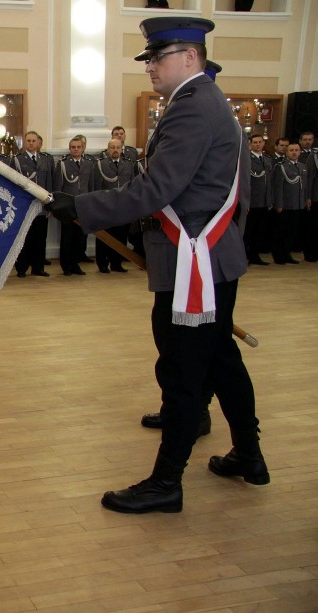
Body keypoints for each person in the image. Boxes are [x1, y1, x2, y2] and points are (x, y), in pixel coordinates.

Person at [47, 16, 269, 514]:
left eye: (157, 57)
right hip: (208, 256)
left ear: (190, 57)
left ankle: (167, 482)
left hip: (196, 261)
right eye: (148, 58)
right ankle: (249, 455)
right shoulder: (203, 102)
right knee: (220, 362)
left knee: (185, 368)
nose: (150, 67)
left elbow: (157, 189)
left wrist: (81, 208)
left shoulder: (194, 108)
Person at [13, 130, 53, 278]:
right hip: (25, 205)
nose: (31, 143)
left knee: (40, 238)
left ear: (38, 142)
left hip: (41, 206)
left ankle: (38, 267)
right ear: (24, 143)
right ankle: (22, 268)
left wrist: (50, 205)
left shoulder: (46, 160)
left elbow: (50, 182)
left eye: (33, 141)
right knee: (24, 238)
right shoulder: (17, 160)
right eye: (28, 141)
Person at [53, 137, 94, 276]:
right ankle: (66, 266)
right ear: (69, 149)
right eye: (73, 147)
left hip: (84, 205)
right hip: (68, 207)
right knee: (67, 238)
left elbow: (91, 185)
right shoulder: (63, 164)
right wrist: (56, 206)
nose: (75, 149)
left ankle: (76, 264)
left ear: (83, 148)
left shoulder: (90, 163)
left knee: (80, 238)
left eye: (78, 147)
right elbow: (58, 187)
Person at [92, 138, 134, 273]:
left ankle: (117, 263)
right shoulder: (100, 164)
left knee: (120, 236)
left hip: (122, 206)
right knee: (105, 236)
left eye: (118, 147)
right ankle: (102, 263)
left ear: (122, 149)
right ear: (108, 149)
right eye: (112, 147)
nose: (115, 150)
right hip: (105, 205)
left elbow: (132, 184)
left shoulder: (128, 164)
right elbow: (96, 186)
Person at [271, 141, 308, 264]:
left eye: (296, 150)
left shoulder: (302, 166)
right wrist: (279, 204)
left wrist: (303, 201)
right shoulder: (281, 166)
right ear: (286, 152)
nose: (294, 152)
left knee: (291, 232)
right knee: (281, 232)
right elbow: (278, 187)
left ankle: (287, 254)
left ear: (300, 152)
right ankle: (279, 256)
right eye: (291, 150)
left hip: (297, 204)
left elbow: (304, 187)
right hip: (285, 204)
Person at [245, 133, 273, 265]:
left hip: (264, 201)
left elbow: (270, 182)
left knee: (259, 231)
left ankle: (255, 255)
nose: (257, 144)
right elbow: (245, 182)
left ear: (263, 143)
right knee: (248, 231)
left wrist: (270, 200)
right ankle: (245, 256)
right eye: (255, 142)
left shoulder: (267, 159)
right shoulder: (247, 160)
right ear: (250, 144)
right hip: (252, 201)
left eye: (260, 142)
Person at [297, 131, 318, 261]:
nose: (308, 142)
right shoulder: (312, 157)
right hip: (314, 195)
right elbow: (310, 178)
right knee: (312, 226)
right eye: (305, 139)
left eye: (310, 139)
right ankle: (310, 253)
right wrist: (308, 196)